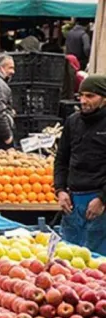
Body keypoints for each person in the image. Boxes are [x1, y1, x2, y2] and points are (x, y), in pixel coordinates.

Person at [54, 76, 106, 255]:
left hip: (99, 203)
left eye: (90, 96)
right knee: (68, 260)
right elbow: (61, 159)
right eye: (81, 95)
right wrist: (60, 190)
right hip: (73, 202)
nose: (84, 101)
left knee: (98, 265)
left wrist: (102, 199)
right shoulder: (73, 121)